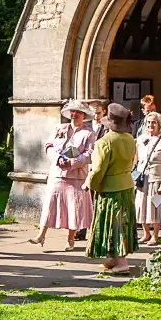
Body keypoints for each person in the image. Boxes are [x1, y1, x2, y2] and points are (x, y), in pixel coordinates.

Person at [29, 100, 95, 251]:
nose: (74, 114)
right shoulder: (59, 128)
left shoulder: (89, 133)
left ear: (83, 115)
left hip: (76, 176)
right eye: (72, 111)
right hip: (58, 173)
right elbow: (48, 146)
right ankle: (41, 235)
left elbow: (90, 153)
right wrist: (57, 158)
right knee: (50, 203)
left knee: (74, 207)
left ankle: (71, 239)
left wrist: (73, 162)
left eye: (78, 112)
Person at [84, 103, 138, 275]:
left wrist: (89, 184)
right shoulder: (130, 138)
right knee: (123, 222)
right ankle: (115, 258)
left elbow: (98, 169)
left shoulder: (104, 142)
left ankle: (122, 263)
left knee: (114, 224)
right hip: (127, 185)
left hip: (110, 189)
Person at [134, 112, 161, 245]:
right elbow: (135, 160)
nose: (151, 125)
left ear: (159, 124)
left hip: (157, 179)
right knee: (141, 206)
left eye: (154, 122)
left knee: (156, 206)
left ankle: (156, 235)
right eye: (148, 122)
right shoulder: (140, 139)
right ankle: (146, 234)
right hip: (142, 178)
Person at [74, 98, 107, 241]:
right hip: (85, 167)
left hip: (98, 167)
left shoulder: (107, 128)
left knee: (97, 200)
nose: (96, 116)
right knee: (83, 200)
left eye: (99, 113)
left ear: (104, 112)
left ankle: (96, 230)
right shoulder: (85, 127)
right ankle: (81, 229)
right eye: (93, 113)